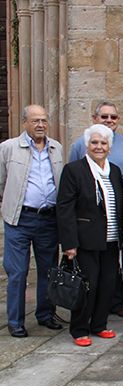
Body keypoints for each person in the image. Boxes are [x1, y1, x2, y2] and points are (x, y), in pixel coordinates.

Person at [57, 124, 123, 346]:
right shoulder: (74, 170)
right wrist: (69, 243)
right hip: (85, 240)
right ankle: (79, 329)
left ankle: (99, 324)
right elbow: (65, 208)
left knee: (107, 284)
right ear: (87, 145)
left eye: (103, 143)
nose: (99, 147)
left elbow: (120, 205)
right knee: (88, 285)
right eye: (94, 142)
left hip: (111, 239)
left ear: (109, 147)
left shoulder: (113, 170)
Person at [0, 104, 64, 338]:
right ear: (24, 123)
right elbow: (1, 181)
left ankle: (46, 315)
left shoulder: (56, 148)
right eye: (35, 120)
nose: (40, 125)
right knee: (17, 272)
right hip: (19, 219)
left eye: (44, 120)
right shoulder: (8, 148)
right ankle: (16, 321)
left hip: (48, 219)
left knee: (49, 270)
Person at [68, 101, 123, 319]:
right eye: (104, 117)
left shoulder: (122, 152)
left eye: (113, 117)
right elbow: (67, 201)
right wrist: (70, 240)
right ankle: (82, 322)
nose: (109, 120)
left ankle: (108, 314)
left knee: (112, 273)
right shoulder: (78, 155)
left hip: (115, 225)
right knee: (90, 278)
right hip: (88, 228)